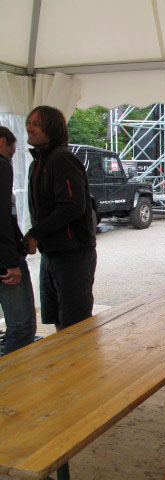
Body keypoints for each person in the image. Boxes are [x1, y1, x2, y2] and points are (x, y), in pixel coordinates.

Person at [23, 106, 97, 331]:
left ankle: (81, 365)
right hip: (52, 252)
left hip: (73, 253)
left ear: (52, 127)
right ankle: (67, 364)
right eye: (29, 122)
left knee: (75, 323)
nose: (29, 127)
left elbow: (73, 206)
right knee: (56, 315)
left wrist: (35, 234)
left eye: (35, 123)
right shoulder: (37, 163)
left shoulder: (62, 159)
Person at [0, 126, 37, 355]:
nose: (12, 160)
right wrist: (11, 262)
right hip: (4, 260)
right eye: (12, 153)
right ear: (2, 142)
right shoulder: (1, 165)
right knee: (22, 326)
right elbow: (2, 215)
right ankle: (14, 383)